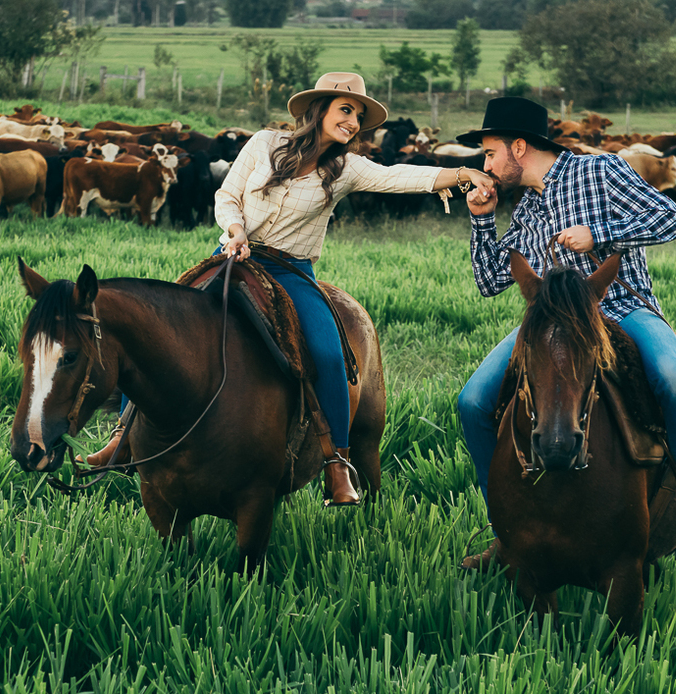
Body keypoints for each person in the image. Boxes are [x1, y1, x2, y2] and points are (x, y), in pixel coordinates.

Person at [85, 71, 495, 506]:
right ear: (318, 110)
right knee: (160, 329)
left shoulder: (348, 169)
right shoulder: (263, 143)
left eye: (358, 115)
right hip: (232, 255)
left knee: (327, 350)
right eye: (346, 110)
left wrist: (463, 172)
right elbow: (227, 195)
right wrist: (236, 229)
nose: (354, 121)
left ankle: (337, 461)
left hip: (289, 271)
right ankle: (123, 434)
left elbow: (399, 176)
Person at [454, 96, 676, 572]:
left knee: (674, 380)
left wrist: (597, 233)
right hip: (551, 326)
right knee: (472, 402)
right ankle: (507, 529)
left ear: (518, 148)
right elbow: (489, 282)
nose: (484, 165)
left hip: (623, 310)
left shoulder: (601, 170)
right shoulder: (525, 211)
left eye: (488, 154)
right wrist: (482, 219)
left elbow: (674, 218)